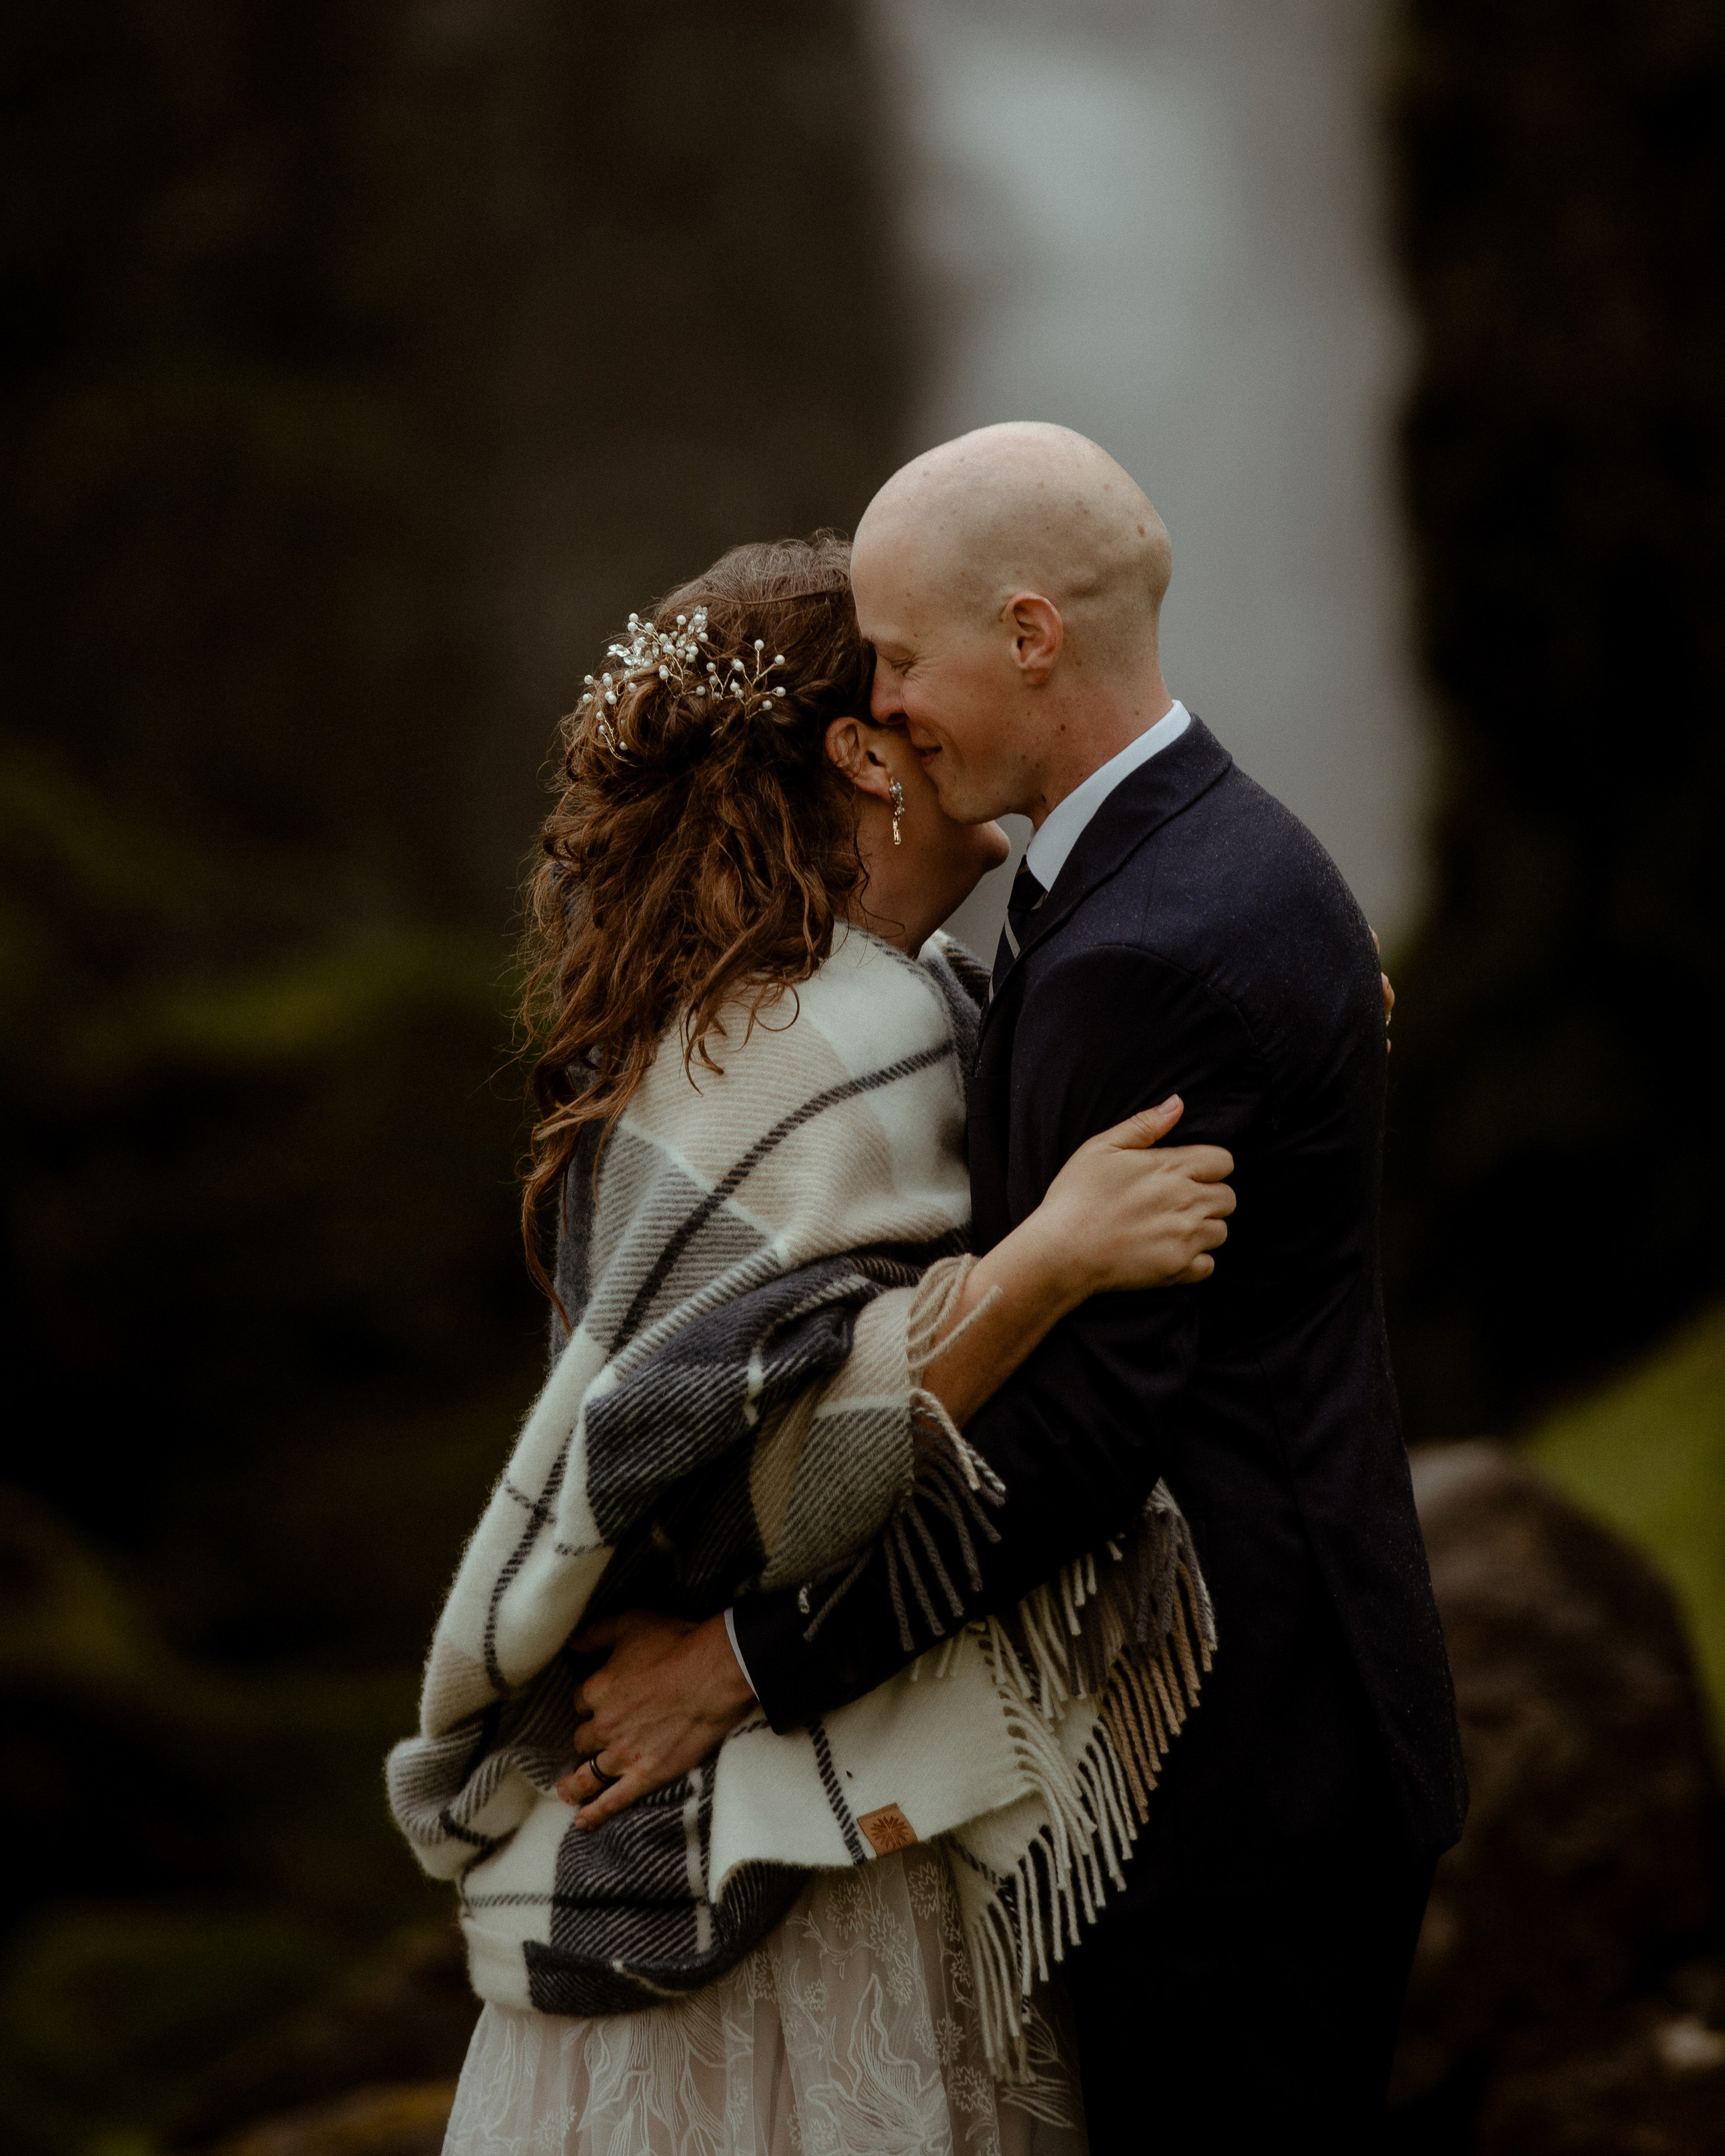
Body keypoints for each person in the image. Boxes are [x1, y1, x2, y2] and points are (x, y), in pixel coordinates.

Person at [565, 429, 1467, 2155]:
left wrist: (736, 1666)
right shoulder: (1201, 859)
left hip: (1238, 1770)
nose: (887, 707)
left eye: (903, 658)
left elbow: (1071, 1442)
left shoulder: (1146, 946)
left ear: (1031, 634)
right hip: (1278, 1720)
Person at [389, 531, 1238, 2156]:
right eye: (906, 681)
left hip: (788, 1783)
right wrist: (1041, 1267)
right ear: (860, 752)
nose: (947, 709)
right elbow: (762, 1474)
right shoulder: (811, 1046)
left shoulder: (851, 1004)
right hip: (780, 1863)